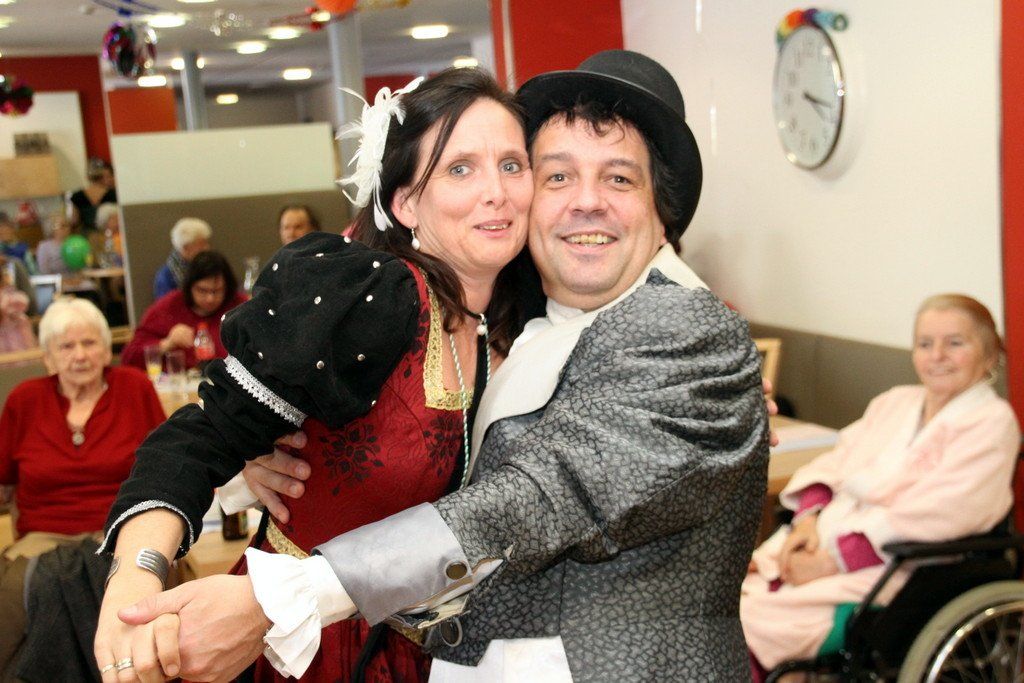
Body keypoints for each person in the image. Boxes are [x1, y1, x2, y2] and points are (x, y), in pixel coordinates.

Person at [111, 50, 771, 682]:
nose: (584, 201)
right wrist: (263, 453)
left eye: (619, 178)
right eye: (556, 175)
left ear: (663, 213)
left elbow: (539, 497)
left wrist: (284, 597)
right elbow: (227, 433)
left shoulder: (682, 329)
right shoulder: (497, 317)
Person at [95, 67, 538, 682]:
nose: (497, 191)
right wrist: (135, 577)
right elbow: (203, 437)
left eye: (512, 165)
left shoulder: (520, 315)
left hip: (439, 653)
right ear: (405, 202)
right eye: (460, 168)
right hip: (303, 644)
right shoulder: (376, 299)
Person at [741, 294, 1020, 678]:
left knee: (753, 622)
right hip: (818, 541)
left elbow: (945, 513)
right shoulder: (894, 402)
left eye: (955, 343)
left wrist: (833, 560)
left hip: (897, 568)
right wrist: (806, 521)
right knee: (715, 600)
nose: (937, 356)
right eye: (925, 344)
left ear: (989, 355)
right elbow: (833, 463)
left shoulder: (991, 422)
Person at [122, 251, 247, 370]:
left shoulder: (239, 305)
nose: (210, 298)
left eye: (217, 290)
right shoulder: (169, 306)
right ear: (189, 287)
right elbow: (129, 357)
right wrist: (167, 343)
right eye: (202, 290)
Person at [153, 217, 212, 300]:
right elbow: (166, 305)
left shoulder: (211, 268)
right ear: (185, 248)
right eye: (201, 244)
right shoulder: (166, 276)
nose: (207, 248)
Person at [69, 158, 117, 233]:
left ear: (88, 176)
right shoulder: (112, 194)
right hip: (107, 233)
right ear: (102, 176)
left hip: (86, 235)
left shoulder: (78, 196)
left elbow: (74, 220)